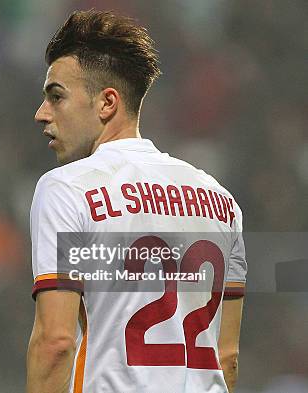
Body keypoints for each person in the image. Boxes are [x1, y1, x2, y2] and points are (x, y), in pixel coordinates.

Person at [26, 10, 246, 393]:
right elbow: (226, 357)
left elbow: (56, 342)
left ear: (106, 103)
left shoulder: (68, 189)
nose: (41, 114)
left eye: (56, 96)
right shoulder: (221, 201)